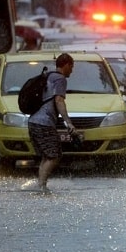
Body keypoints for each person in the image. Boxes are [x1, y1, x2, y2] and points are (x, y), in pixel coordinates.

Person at [25, 53, 78, 193]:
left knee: (48, 156)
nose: (71, 71)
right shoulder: (60, 79)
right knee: (54, 156)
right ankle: (41, 187)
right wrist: (69, 123)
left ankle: (41, 185)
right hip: (44, 123)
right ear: (66, 65)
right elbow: (59, 100)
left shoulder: (47, 76)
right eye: (71, 67)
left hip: (33, 121)